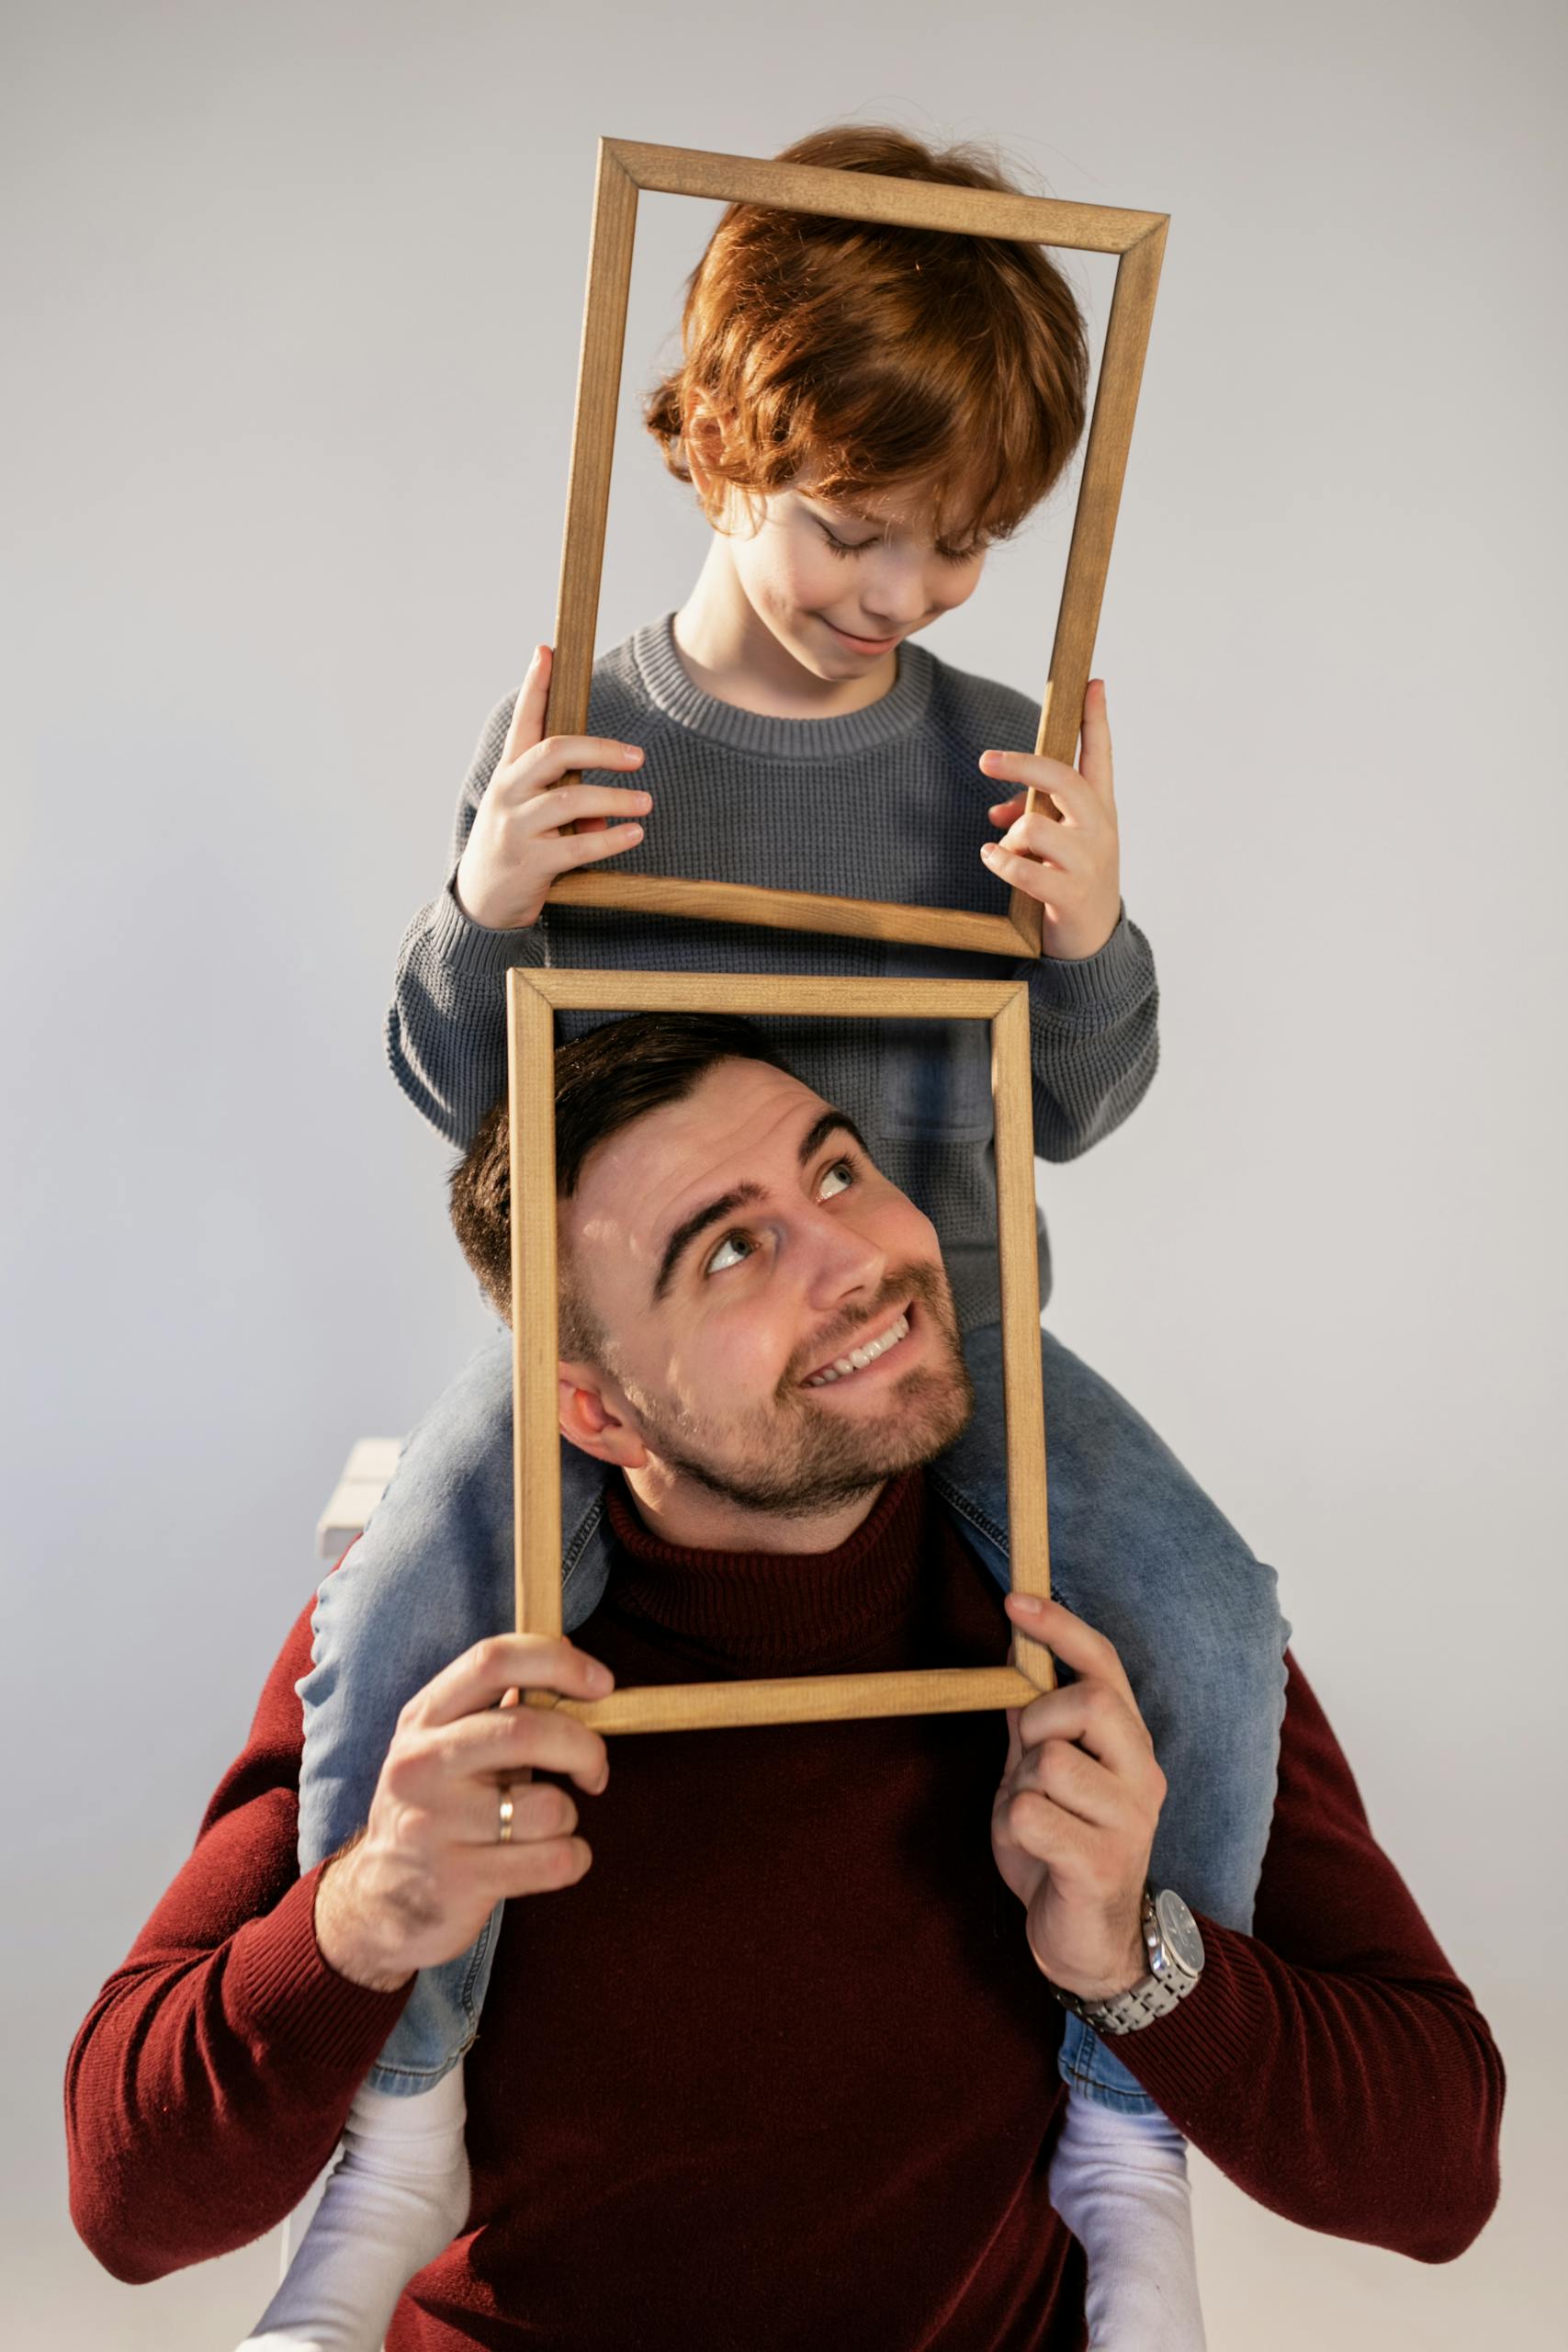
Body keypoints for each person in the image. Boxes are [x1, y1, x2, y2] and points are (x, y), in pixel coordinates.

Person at [283, 119, 1291, 2343]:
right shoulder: (583, 729)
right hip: (656, 1365)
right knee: (403, 1602)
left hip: (943, 1340)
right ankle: (407, 2099)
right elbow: (474, 1103)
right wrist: (482, 906)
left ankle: (1116, 2108)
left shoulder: (993, 760)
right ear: (718, 438)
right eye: (857, 528)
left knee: (1211, 1606)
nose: (904, 595)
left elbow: (1085, 1103)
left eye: (961, 551)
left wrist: (1093, 937)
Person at [65, 1015, 1505, 2351]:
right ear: (598, 1409)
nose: (857, 1257)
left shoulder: (1096, 1637)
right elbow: (127, 2203)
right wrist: (362, 1921)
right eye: (732, 1252)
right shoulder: (452, 1654)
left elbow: (1443, 2178)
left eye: (837, 1169)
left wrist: (1136, 1960)